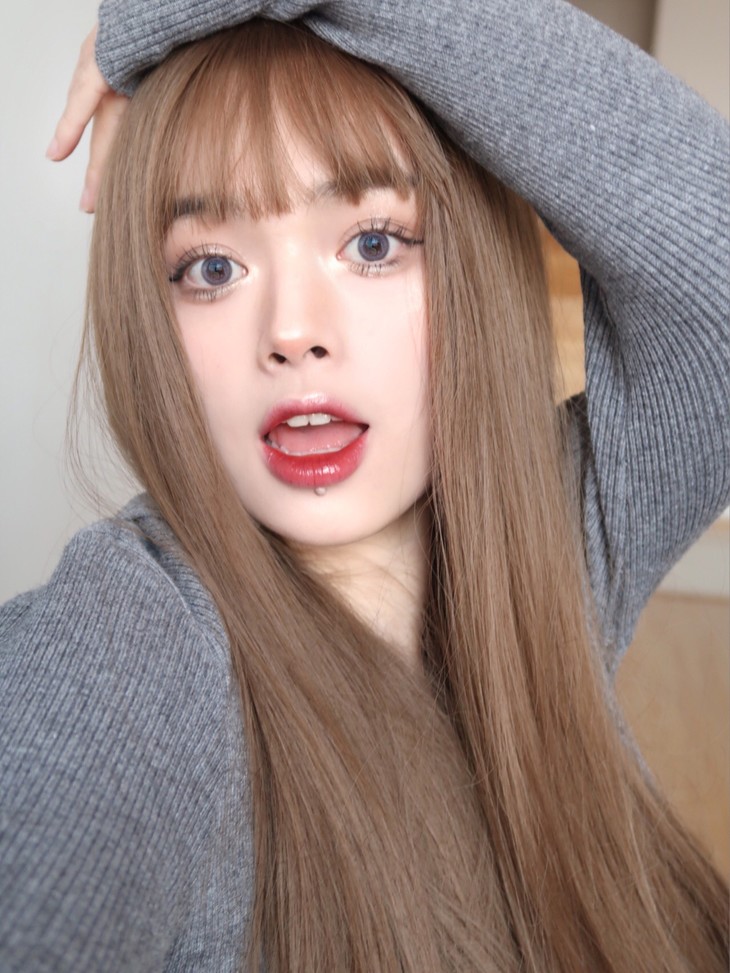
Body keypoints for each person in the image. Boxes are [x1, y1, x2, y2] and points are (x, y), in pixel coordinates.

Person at [2, 1, 728, 970]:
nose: (292, 330)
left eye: (374, 244)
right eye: (211, 267)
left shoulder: (555, 544)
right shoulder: (127, 646)